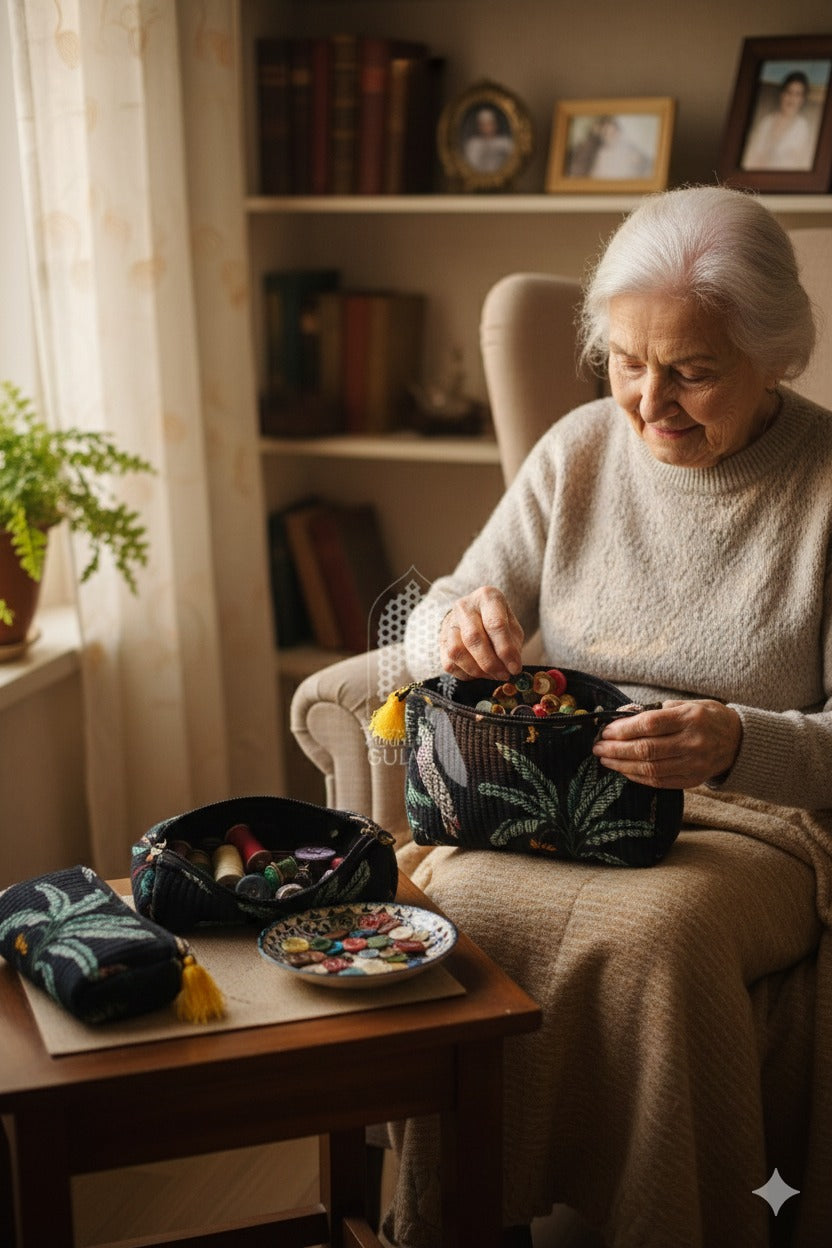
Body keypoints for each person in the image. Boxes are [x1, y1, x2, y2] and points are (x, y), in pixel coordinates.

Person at [384, 186, 832, 1248]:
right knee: (439, 912)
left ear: (775, 355)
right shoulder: (578, 448)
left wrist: (733, 741)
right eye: (627, 363)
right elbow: (423, 609)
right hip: (547, 804)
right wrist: (453, 626)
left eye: (692, 371)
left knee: (658, 935)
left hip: (759, 823)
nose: (648, 403)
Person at [741, 70, 818, 170]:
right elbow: (750, 158)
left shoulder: (803, 127)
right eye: (789, 92)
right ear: (782, 94)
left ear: (802, 99)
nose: (792, 98)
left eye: (797, 94)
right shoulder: (766, 122)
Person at [463, 106, 515, 174]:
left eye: (489, 124)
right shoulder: (473, 144)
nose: (487, 128)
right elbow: (470, 166)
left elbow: (512, 163)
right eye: (483, 125)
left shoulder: (506, 142)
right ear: (479, 127)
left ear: (495, 125)